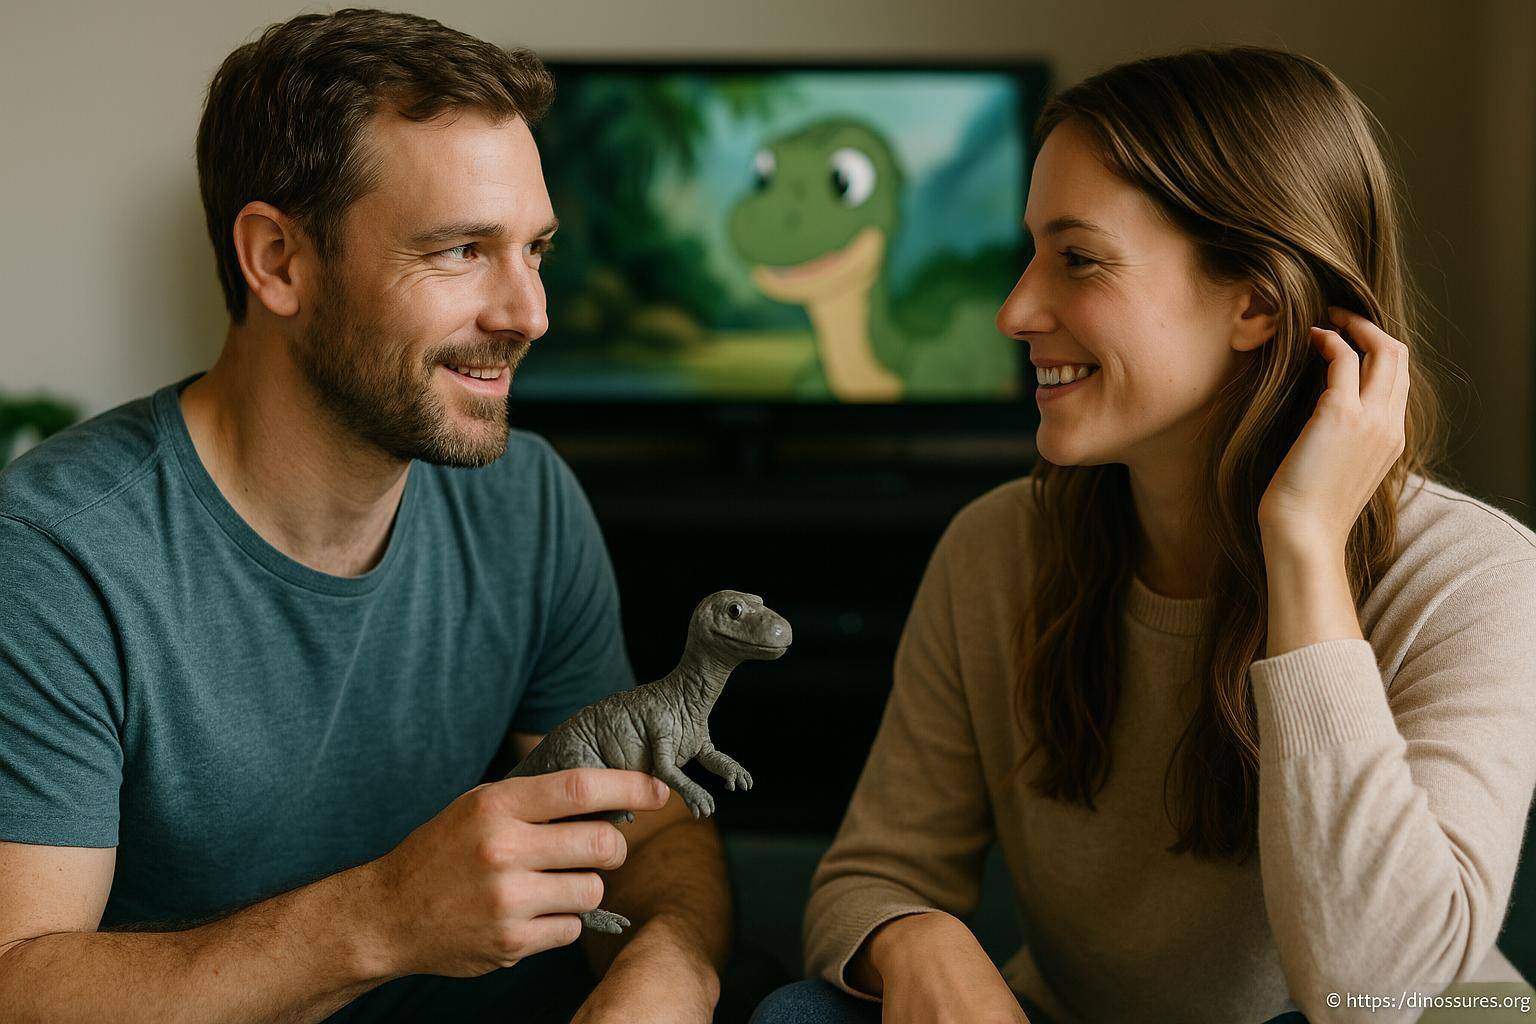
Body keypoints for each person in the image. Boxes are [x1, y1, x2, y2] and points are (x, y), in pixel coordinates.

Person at [751, 46, 1536, 1024]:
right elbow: (871, 872)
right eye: (1030, 252)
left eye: (1077, 258)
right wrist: (916, 937)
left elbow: (1370, 993)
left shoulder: (1477, 576)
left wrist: (1300, 545)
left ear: (1254, 299)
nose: (1015, 309)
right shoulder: (998, 550)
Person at [0, 10, 731, 1023]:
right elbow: (17, 982)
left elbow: (642, 831)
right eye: (463, 250)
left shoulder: (526, 497)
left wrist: (674, 960)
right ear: (279, 260)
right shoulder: (54, 555)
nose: (529, 311)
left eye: (536, 249)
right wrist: (385, 913)